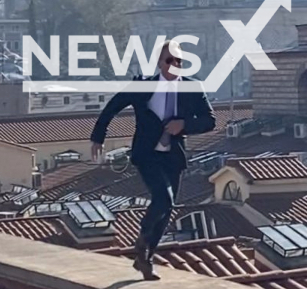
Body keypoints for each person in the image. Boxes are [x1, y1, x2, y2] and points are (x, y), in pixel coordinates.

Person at [90, 40, 216, 280]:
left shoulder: (192, 87)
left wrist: (185, 125)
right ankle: (143, 239)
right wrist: (98, 137)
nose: (175, 65)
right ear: (160, 63)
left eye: (179, 60)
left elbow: (210, 120)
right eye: (170, 60)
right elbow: (112, 107)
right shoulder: (142, 86)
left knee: (167, 209)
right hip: (146, 154)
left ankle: (145, 259)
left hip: (173, 156)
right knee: (163, 197)